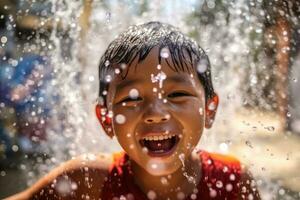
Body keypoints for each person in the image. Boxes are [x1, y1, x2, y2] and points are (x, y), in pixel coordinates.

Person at [7, 22, 260, 200]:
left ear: (209, 109)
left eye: (177, 94)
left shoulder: (232, 183)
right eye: (132, 99)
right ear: (106, 119)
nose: (156, 112)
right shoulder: (87, 181)